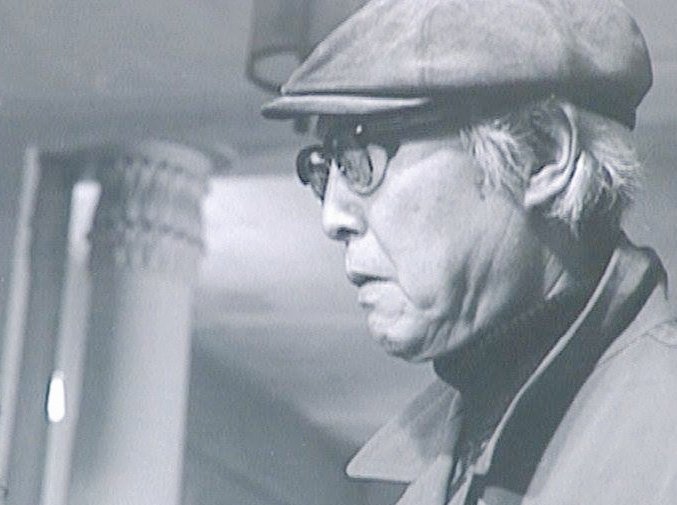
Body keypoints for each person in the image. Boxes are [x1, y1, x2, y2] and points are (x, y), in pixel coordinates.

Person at [262, 0, 677, 503]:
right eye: (324, 169)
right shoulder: (434, 468)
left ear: (542, 155)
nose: (333, 217)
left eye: (360, 157)